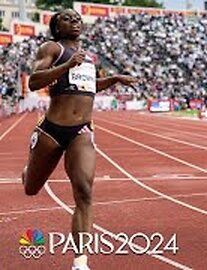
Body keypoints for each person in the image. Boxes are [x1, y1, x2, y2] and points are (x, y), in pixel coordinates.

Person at [22, 9, 137, 270]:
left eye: (77, 18)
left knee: (84, 192)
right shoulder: (52, 48)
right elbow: (34, 81)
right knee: (31, 188)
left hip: (81, 131)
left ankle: (80, 262)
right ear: (56, 27)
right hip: (51, 130)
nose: (74, 21)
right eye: (66, 18)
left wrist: (115, 78)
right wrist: (66, 65)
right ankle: (28, 171)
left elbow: (90, 86)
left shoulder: (87, 58)